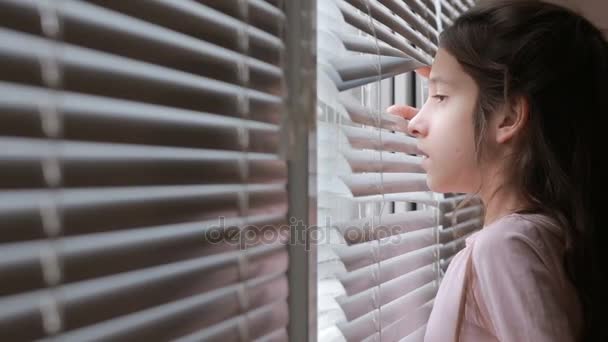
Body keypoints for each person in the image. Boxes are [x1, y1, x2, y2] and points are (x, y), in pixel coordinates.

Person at [387, 1, 608, 341]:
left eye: (441, 96)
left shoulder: (506, 247)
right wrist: (455, 122)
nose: (415, 122)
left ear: (507, 117)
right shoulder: (549, 234)